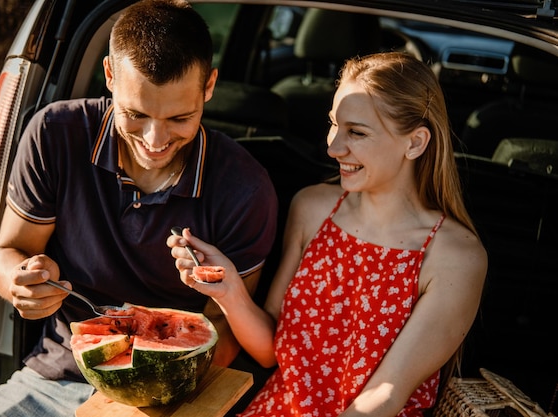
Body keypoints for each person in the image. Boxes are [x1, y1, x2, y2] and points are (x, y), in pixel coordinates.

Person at [0, 1, 278, 416]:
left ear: (209, 86)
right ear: (110, 76)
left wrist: (153, 386)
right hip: (56, 377)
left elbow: (222, 328)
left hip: (178, 394)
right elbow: (8, 253)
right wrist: (19, 281)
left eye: (180, 118)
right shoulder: (54, 134)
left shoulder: (245, 189)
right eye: (135, 114)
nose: (155, 139)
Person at [168, 52, 487, 417]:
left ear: (414, 143)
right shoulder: (312, 207)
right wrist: (229, 290)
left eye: (358, 132)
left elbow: (386, 394)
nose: (334, 147)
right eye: (334, 124)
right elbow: (270, 350)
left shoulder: (455, 256)